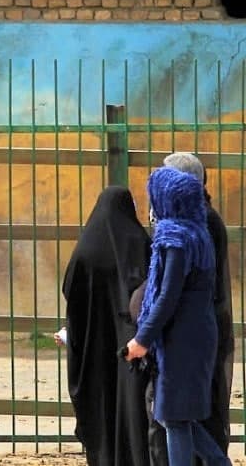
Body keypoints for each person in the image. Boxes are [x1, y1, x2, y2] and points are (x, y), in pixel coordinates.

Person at [125, 167, 230, 466]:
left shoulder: (176, 240)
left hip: (181, 341)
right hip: (197, 336)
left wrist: (142, 339)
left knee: (172, 417)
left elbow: (167, 297)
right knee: (177, 417)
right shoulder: (198, 232)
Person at [61, 185, 152, 466]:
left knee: (99, 405)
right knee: (133, 413)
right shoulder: (140, 242)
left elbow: (69, 291)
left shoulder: (85, 249)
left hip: (93, 349)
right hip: (132, 350)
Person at [162, 152, 233, 459]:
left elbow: (174, 287)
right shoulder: (191, 219)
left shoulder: (200, 223)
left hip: (192, 332)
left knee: (176, 415)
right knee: (177, 416)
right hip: (189, 329)